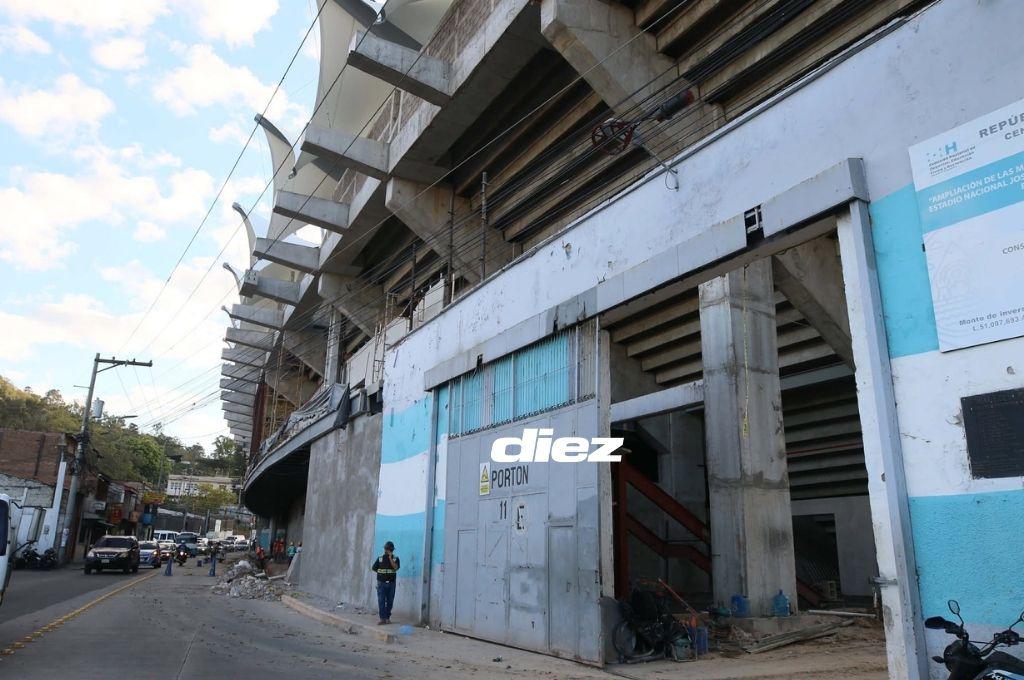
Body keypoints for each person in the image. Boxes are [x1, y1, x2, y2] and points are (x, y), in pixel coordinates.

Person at [371, 541, 400, 625]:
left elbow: (395, 567)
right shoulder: (380, 558)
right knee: (381, 600)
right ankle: (382, 618)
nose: (388, 550)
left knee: (390, 601)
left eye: (389, 549)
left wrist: (390, 558)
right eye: (387, 549)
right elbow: (374, 568)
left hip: (391, 583)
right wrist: (381, 574)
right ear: (385, 549)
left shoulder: (395, 558)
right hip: (381, 583)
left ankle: (387, 617)